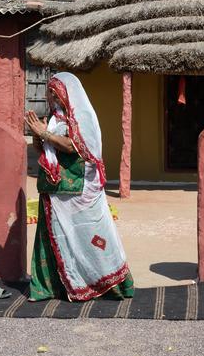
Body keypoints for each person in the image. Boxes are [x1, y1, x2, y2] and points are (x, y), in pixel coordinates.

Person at [24, 72, 134, 302]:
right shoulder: (54, 118)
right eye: (50, 91)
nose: (52, 95)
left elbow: (73, 146)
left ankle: (107, 285)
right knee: (54, 236)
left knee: (88, 235)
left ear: (68, 92)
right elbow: (43, 149)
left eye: (56, 91)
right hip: (54, 186)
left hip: (79, 187)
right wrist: (37, 135)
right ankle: (51, 287)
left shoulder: (82, 117)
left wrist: (45, 133)